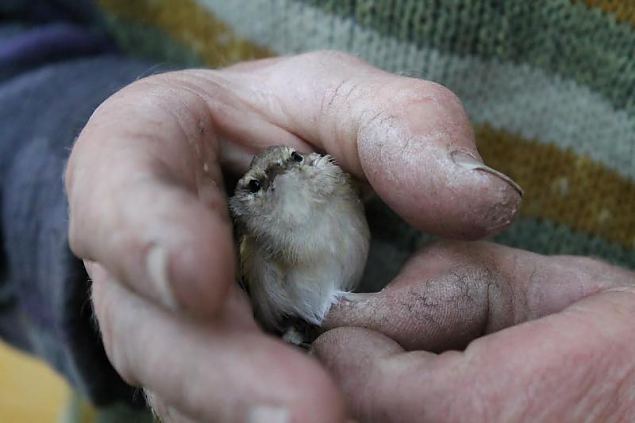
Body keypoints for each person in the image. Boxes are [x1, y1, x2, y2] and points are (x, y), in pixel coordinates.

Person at [1, 1, 634, 422]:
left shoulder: (335, 186)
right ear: (243, 212)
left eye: (298, 163)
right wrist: (108, 222)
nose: (284, 175)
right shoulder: (255, 240)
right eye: (259, 184)